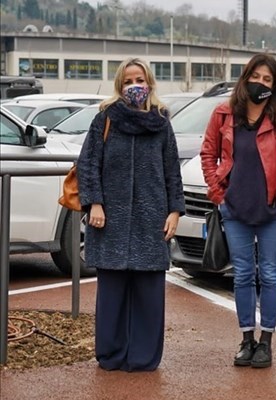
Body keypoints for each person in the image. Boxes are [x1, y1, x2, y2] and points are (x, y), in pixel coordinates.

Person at [200, 53, 276, 368]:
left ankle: (266, 342)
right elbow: (208, 152)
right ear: (245, 76)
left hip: (274, 211)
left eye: (267, 79)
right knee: (244, 275)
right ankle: (246, 339)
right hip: (235, 209)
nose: (260, 83)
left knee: (271, 274)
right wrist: (217, 192)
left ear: (274, 85)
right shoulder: (223, 113)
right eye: (256, 76)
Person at [77, 57, 185, 372]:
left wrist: (175, 211)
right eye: (127, 81)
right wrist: (94, 202)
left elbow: (172, 171)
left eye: (139, 79)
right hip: (110, 219)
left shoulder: (162, 121)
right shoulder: (105, 118)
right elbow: (88, 163)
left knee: (149, 295)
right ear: (119, 85)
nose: (133, 86)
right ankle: (110, 354)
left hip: (152, 218)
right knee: (111, 293)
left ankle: (143, 357)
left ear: (149, 82)